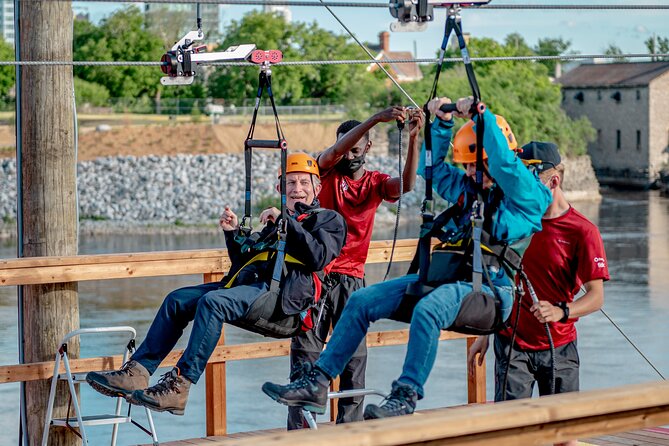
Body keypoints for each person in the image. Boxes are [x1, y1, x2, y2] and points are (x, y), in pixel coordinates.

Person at [261, 96, 551, 419]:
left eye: (476, 165)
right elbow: (436, 171)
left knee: (429, 310)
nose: (471, 173)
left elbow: (503, 165)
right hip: (450, 280)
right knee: (362, 302)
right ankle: (317, 382)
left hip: (491, 291)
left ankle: (406, 394)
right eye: (467, 166)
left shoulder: (529, 195)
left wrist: (482, 116)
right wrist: (440, 124)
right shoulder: (469, 189)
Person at [86, 152, 347, 415]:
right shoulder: (274, 225)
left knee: (214, 303)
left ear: (317, 187)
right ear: (280, 188)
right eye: (290, 183)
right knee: (177, 301)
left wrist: (284, 221)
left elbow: (318, 257)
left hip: (283, 304)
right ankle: (138, 371)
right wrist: (233, 234)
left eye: (304, 182)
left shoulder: (328, 221)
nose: (297, 189)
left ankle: (180, 385)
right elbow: (243, 263)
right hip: (254, 291)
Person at [287, 106, 425, 429]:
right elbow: (333, 152)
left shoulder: (375, 184)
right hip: (318, 275)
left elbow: (405, 184)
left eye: (356, 147)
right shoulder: (327, 174)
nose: (349, 153)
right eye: (346, 147)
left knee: (354, 361)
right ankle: (299, 433)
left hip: (352, 281)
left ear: (368, 148)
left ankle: (350, 432)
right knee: (305, 356)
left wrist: (415, 139)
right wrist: (376, 118)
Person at [467, 141, 609, 446]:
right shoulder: (514, 224)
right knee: (512, 436)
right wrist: (486, 330)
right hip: (511, 344)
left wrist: (562, 310)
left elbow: (596, 296)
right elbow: (499, 280)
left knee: (565, 437)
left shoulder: (582, 231)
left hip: (560, 347)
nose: (520, 189)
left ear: (553, 181)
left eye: (529, 181)